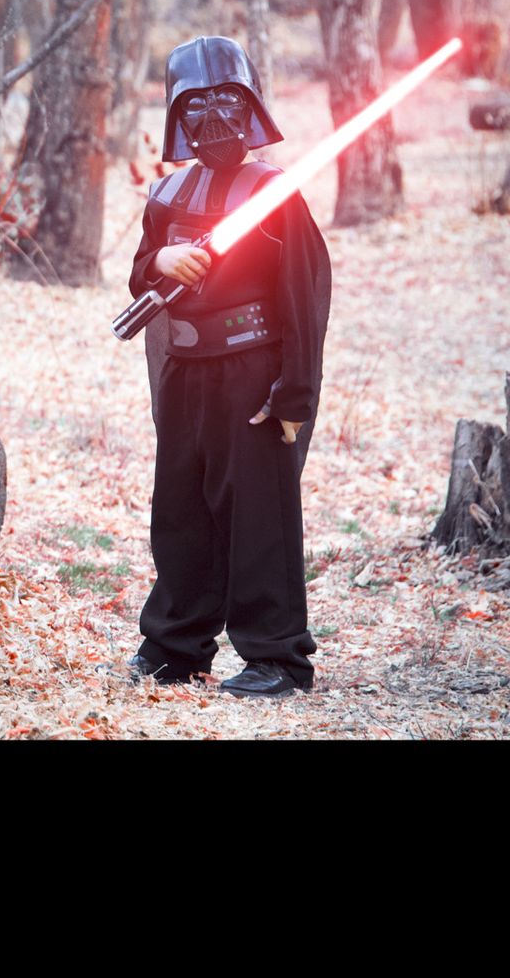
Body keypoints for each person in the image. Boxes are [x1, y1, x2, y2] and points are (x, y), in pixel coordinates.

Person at [119, 35, 331, 699]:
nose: (213, 119)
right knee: (179, 508)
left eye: (226, 102)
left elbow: (306, 292)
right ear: (177, 113)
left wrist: (294, 392)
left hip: (252, 370)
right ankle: (175, 647)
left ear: (250, 106)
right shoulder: (168, 192)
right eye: (197, 104)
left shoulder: (275, 192)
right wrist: (158, 263)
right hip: (185, 370)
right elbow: (136, 274)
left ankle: (277, 657)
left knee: (258, 514)